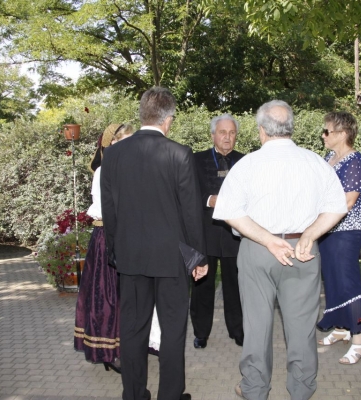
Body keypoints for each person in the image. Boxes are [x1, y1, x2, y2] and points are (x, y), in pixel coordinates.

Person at [213, 100, 347, 400]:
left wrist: (268, 239)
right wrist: (310, 233)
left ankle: (254, 388)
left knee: (256, 325)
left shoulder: (247, 164)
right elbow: (337, 207)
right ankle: (301, 390)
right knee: (302, 327)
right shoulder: (315, 162)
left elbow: (228, 211)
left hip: (257, 249)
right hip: (302, 250)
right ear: (291, 128)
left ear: (262, 130)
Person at [101, 87, 208, 400]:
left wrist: (114, 251)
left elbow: (109, 211)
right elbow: (191, 213)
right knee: (173, 330)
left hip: (130, 257)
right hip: (171, 259)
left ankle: (134, 394)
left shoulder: (113, 154)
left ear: (142, 115)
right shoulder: (180, 153)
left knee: (133, 329)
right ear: (168, 119)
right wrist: (199, 258)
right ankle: (170, 395)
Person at [74, 123, 142, 373]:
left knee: (131, 295)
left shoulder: (137, 167)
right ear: (111, 144)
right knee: (107, 296)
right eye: (124, 140)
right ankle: (108, 351)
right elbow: (105, 207)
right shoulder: (103, 172)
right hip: (108, 237)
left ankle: (131, 346)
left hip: (131, 237)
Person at [316, 111, 361, 365]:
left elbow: (348, 202)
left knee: (348, 282)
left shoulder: (355, 161)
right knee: (333, 279)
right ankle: (340, 328)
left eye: (327, 131)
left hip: (347, 230)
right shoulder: (329, 158)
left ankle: (360, 340)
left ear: (343, 133)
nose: (323, 135)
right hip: (328, 229)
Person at [190, 114, 244, 349]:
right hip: (205, 232)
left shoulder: (245, 161)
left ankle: (238, 330)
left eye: (232, 133)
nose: (227, 137)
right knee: (202, 285)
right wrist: (209, 199)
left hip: (236, 234)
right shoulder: (195, 160)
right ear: (213, 135)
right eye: (222, 132)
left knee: (236, 285)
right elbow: (188, 192)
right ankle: (201, 332)